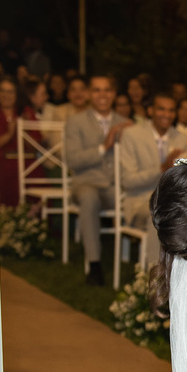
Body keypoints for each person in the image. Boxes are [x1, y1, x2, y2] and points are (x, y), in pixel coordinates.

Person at [65, 75, 133, 285]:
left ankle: (147, 264)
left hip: (116, 187)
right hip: (87, 183)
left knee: (144, 196)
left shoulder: (125, 123)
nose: (102, 95)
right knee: (89, 198)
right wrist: (104, 146)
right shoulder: (75, 121)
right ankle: (94, 265)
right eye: (96, 90)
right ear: (88, 94)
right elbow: (72, 160)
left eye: (106, 90)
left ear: (113, 94)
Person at [118, 92, 187, 265]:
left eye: (170, 110)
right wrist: (162, 168)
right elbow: (128, 182)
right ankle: (154, 278)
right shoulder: (132, 135)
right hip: (139, 201)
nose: (166, 115)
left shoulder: (183, 140)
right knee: (161, 215)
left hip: (174, 202)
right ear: (150, 110)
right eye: (161, 109)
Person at [0, 75, 21, 207]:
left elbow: (36, 141)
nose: (6, 95)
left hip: (24, 164)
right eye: (2, 91)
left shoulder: (25, 113)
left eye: (10, 91)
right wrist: (10, 134)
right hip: (0, 164)